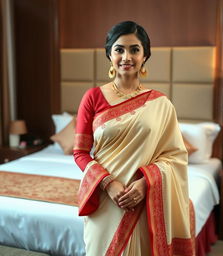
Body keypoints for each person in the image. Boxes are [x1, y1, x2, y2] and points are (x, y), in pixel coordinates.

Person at [73, 20, 195, 256]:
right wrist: (109, 185)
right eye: (119, 49)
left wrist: (146, 184)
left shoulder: (160, 103)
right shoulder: (93, 97)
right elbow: (79, 153)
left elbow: (174, 156)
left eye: (134, 49)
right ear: (109, 54)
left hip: (143, 199)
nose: (126, 56)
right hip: (105, 200)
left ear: (145, 56)